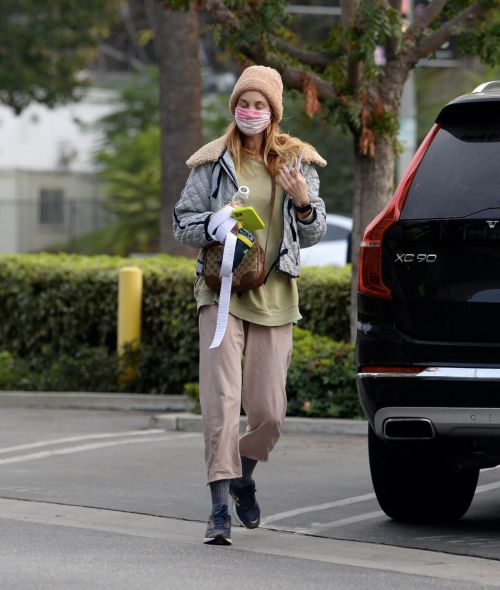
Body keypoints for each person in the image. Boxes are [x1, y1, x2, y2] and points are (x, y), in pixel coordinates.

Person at [173, 65, 327, 545]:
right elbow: (183, 222)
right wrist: (214, 222)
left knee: (269, 411)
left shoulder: (296, 161)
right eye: (245, 102)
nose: (251, 111)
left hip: (275, 294)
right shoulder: (212, 160)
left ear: (274, 112)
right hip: (220, 295)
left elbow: (314, 231)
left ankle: (243, 474)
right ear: (234, 106)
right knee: (221, 402)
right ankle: (219, 508)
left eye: (261, 105)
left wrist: (303, 201)